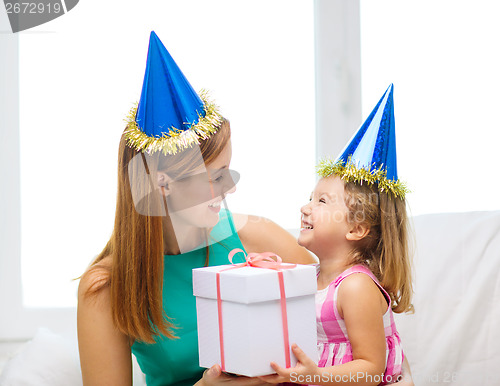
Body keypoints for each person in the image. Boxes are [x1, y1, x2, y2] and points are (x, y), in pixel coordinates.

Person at [77, 31, 314, 386]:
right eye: (214, 176)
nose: (230, 187)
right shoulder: (105, 287)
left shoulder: (254, 236)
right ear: (163, 184)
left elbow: (339, 316)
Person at [261, 85, 414, 385]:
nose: (305, 208)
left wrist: (317, 376)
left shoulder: (355, 287)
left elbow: (370, 369)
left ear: (356, 229)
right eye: (310, 197)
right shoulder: (315, 276)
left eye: (321, 201)